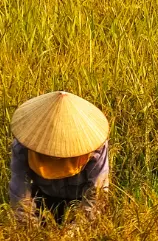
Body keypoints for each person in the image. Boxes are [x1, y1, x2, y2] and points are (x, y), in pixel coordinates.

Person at [8, 91, 111, 225]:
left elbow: (96, 193)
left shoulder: (95, 145)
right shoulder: (24, 146)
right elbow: (20, 194)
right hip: (45, 199)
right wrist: (32, 231)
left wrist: (76, 231)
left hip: (80, 201)